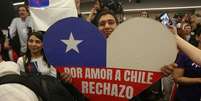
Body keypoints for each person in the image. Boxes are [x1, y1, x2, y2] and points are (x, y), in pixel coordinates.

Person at [94, 10, 175, 101]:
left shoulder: (134, 47)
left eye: (111, 22)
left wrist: (160, 71)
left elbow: (147, 72)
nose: (107, 26)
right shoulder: (91, 52)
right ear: (96, 28)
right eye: (102, 24)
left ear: (118, 26)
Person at [173, 27, 201, 101]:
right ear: (197, 37)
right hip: (185, 96)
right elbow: (176, 78)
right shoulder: (185, 54)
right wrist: (198, 80)